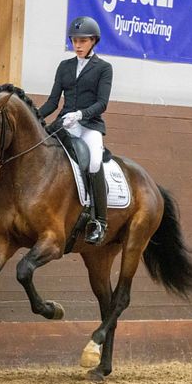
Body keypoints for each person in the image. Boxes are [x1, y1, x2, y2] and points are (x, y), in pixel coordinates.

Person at [39, 16, 113, 245]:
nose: (77, 45)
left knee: (93, 162)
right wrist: (35, 118)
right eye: (74, 41)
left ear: (93, 41)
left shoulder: (104, 68)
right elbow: (53, 102)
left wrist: (80, 115)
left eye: (82, 41)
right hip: (64, 123)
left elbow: (102, 103)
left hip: (89, 125)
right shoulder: (65, 66)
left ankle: (100, 221)